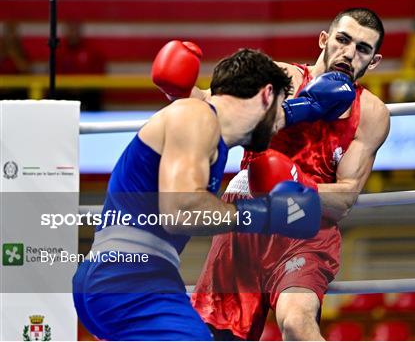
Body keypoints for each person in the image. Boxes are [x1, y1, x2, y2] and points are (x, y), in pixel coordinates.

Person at [72, 45, 355, 340]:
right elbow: (181, 211)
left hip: (130, 276)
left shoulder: (209, 123)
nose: (277, 129)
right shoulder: (195, 117)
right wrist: (266, 214)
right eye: (279, 109)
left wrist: (310, 107)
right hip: (127, 278)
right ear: (266, 95)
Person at [190, 8, 391, 340]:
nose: (349, 53)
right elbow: (211, 111)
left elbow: (345, 198)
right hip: (246, 219)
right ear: (324, 40)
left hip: (307, 228)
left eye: (363, 49)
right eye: (343, 40)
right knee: (216, 336)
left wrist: (294, 183)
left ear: (374, 61)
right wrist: (179, 88)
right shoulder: (279, 77)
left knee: (297, 323)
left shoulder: (371, 113)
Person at [56, 21, 105, 110]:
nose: (73, 34)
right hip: (65, 91)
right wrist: (69, 86)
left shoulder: (91, 51)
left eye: (75, 30)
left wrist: (82, 85)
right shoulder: (59, 52)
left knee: (94, 95)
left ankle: (94, 121)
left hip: (86, 90)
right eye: (70, 30)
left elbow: (98, 72)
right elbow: (56, 73)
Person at [0, 22, 31, 99]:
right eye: (8, 32)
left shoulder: (21, 52)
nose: (10, 36)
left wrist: (13, 52)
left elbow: (24, 68)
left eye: (12, 32)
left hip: (16, 91)